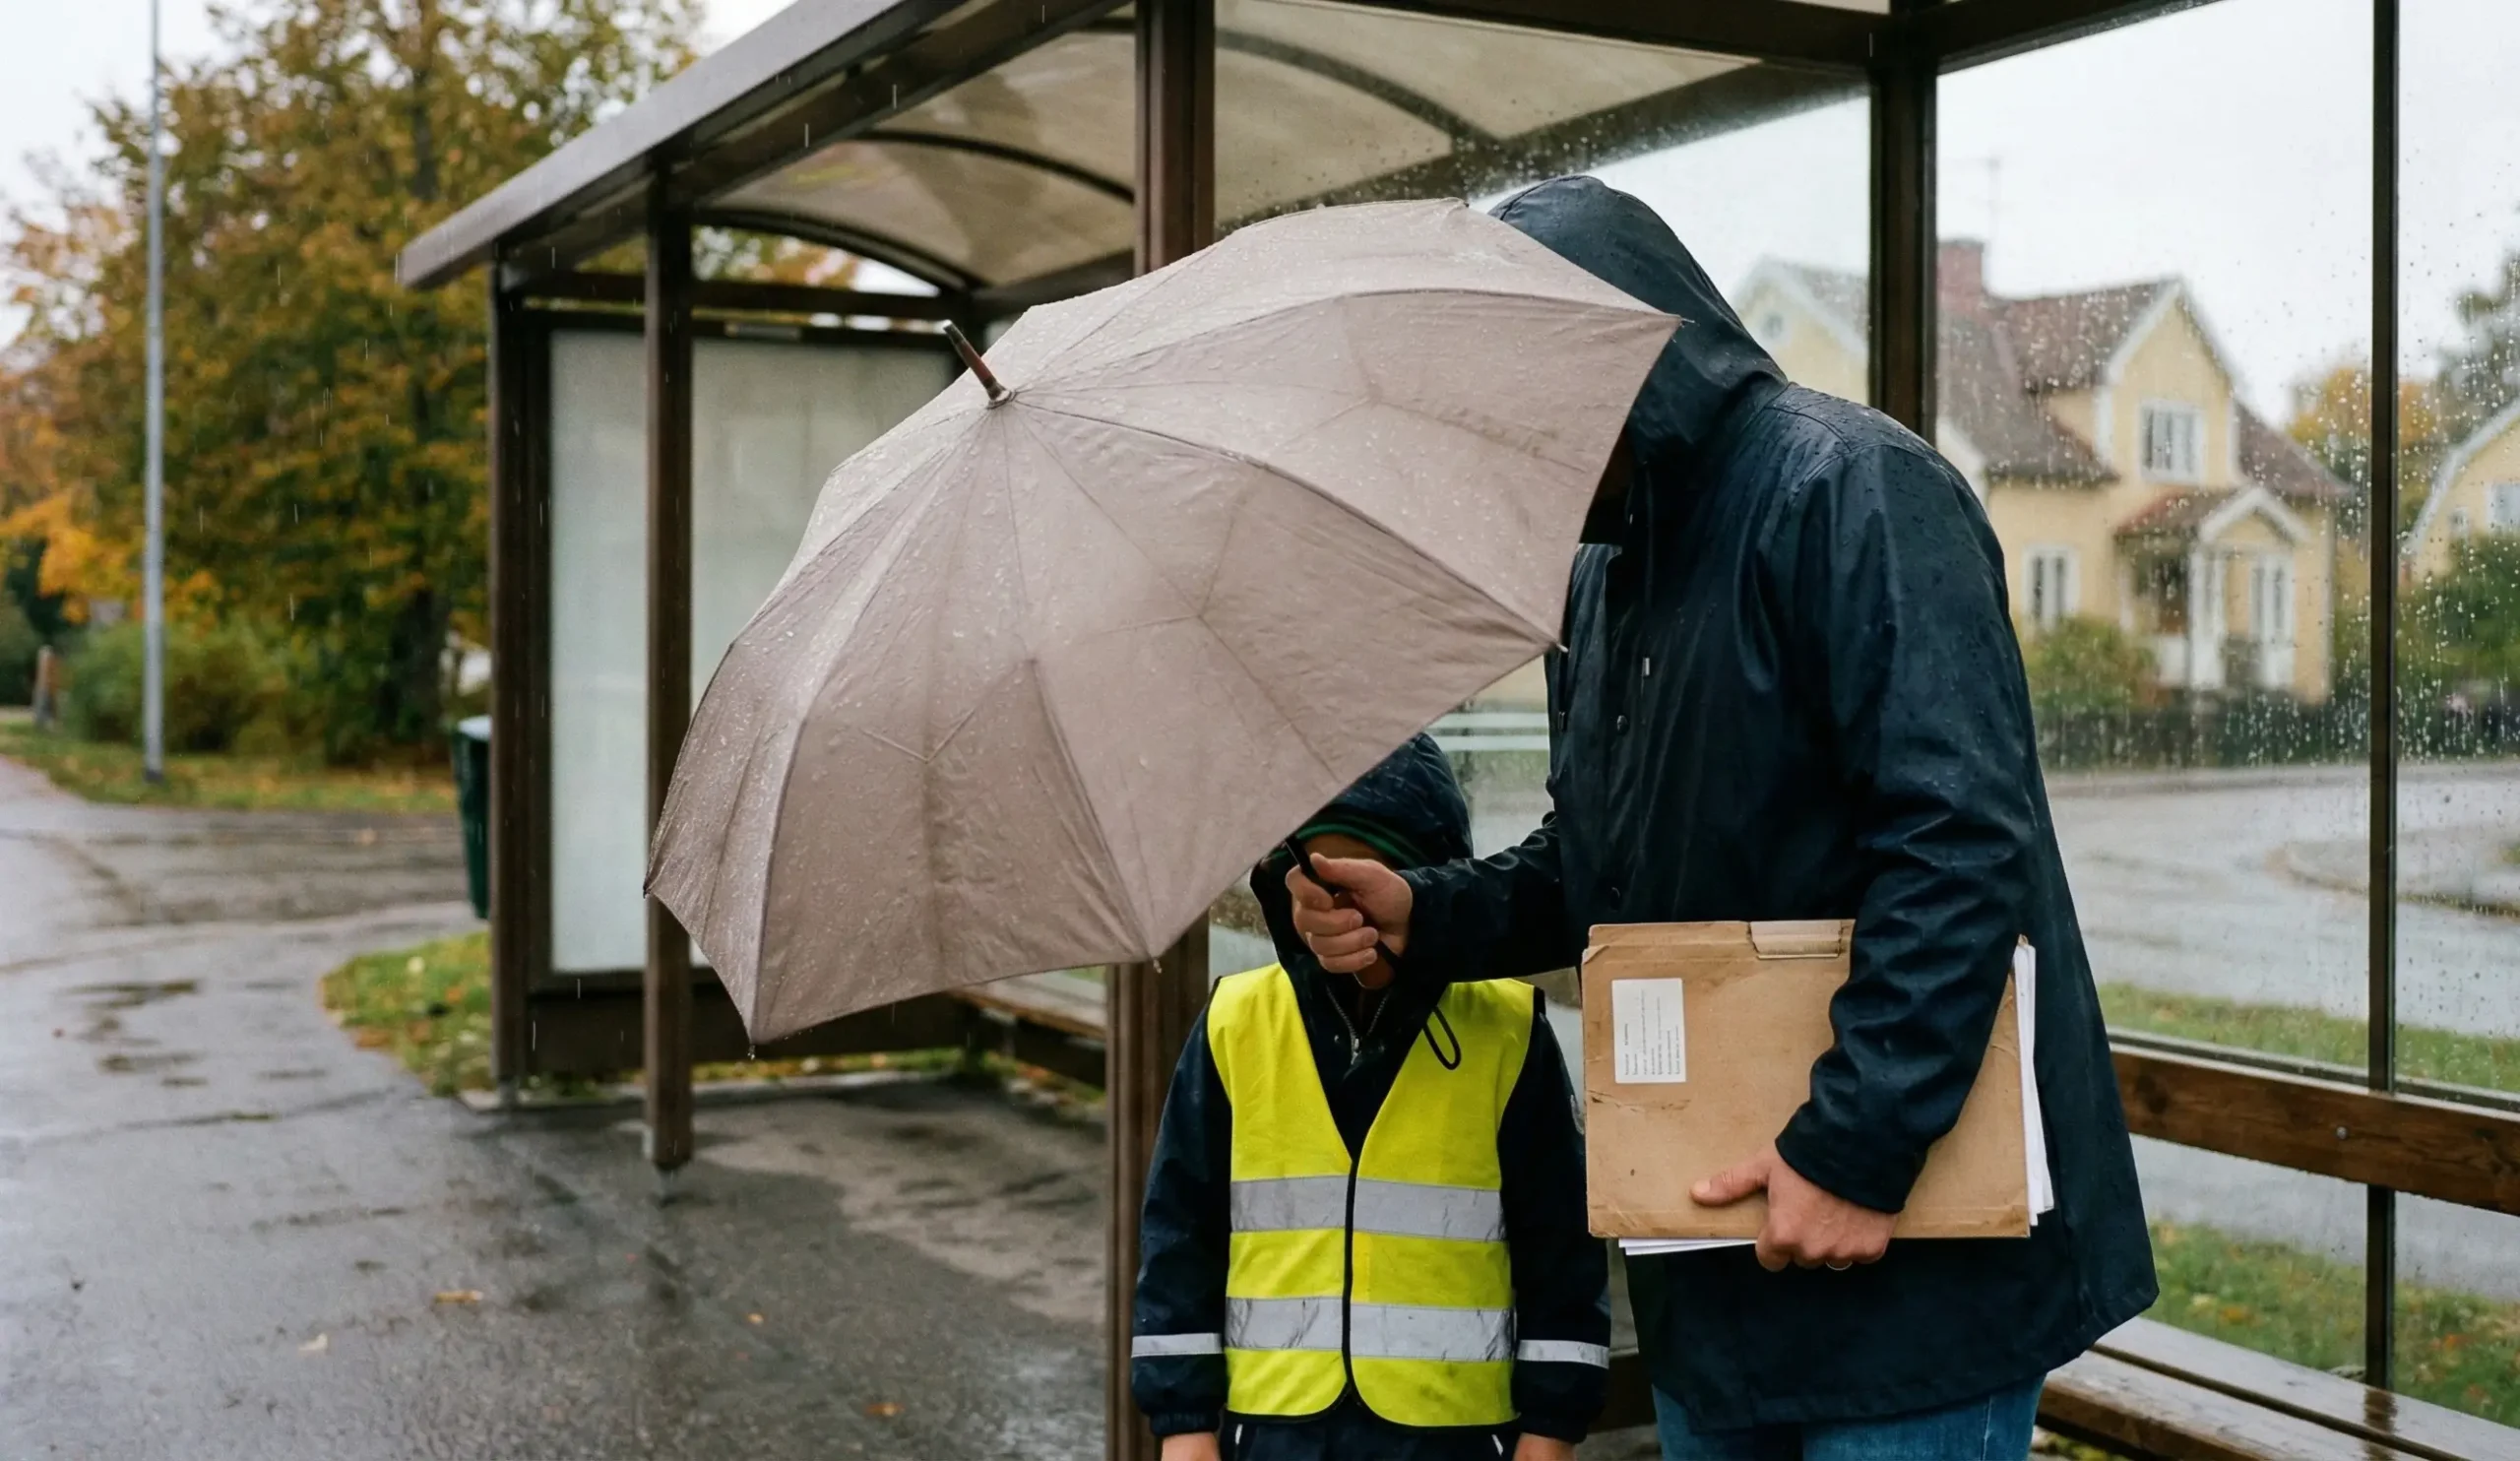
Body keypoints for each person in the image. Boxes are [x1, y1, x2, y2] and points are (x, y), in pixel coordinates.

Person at [1288, 177, 2158, 1458]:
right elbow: (1601, 867)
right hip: (1715, 1273)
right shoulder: (1601, 579)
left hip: (1916, 1290)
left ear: (1607, 369)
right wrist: (1429, 914)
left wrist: (1857, 1147)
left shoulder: (1856, 491)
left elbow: (1961, 846)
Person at [1132, 733, 1608, 1461]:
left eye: (1370, 885)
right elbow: (1179, 1241)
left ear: (1434, 885)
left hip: (1454, 1437)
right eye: (1319, 889)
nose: (1342, 917)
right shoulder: (1235, 1023)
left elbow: (1560, 1251)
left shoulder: (1508, 1031)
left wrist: (1551, 1433)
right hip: (1269, 1434)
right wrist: (1184, 1427)